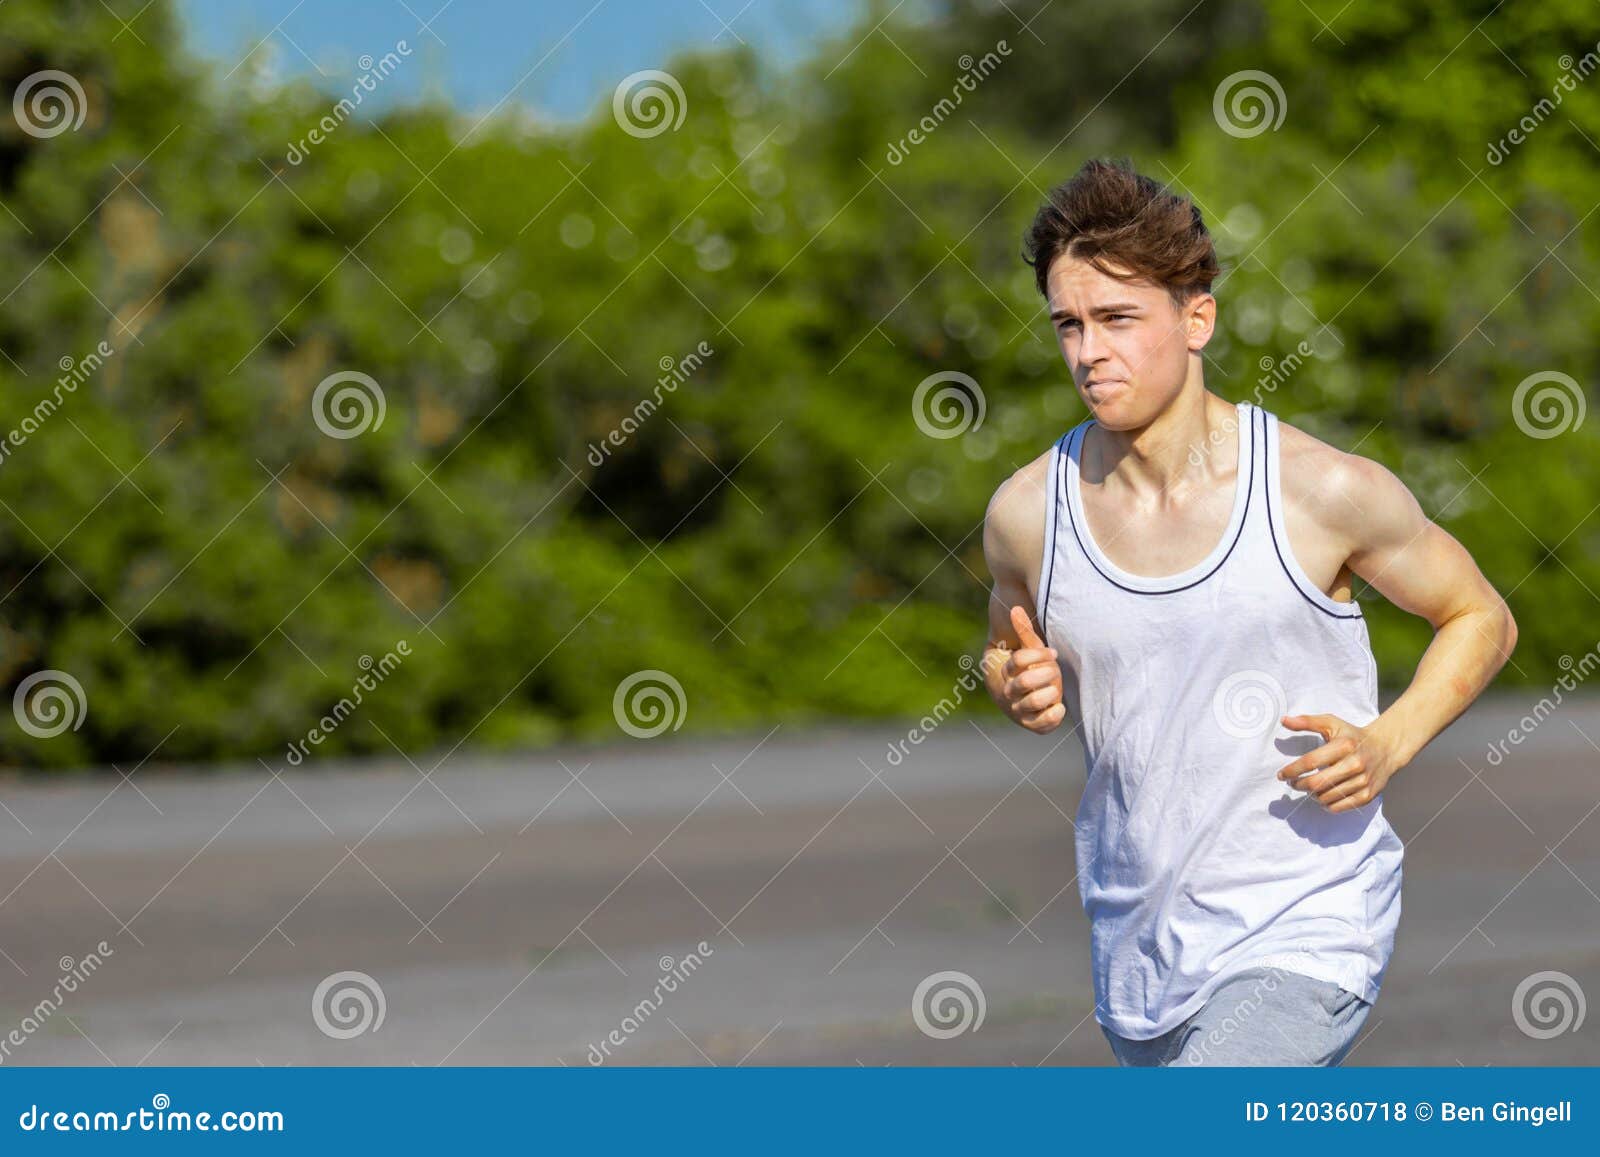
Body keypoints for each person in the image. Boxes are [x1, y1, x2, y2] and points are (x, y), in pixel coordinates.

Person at [980, 158, 1518, 1066]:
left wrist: (1387, 741)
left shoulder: (1322, 490)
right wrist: (1011, 681)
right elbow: (1005, 644)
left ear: (1198, 317)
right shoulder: (1028, 513)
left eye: (1117, 319)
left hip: (1305, 923)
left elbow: (1481, 616)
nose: (1087, 352)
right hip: (1138, 941)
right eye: (1068, 324)